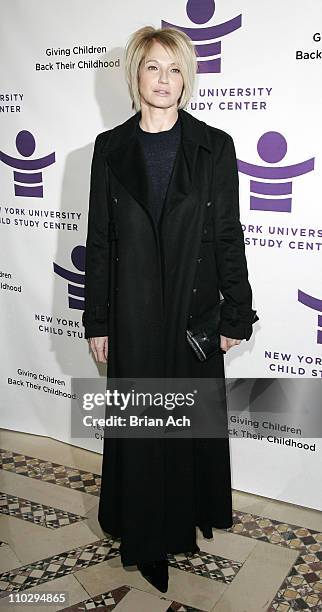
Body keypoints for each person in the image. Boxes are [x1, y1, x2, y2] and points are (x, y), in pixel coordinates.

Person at [82, 25, 258, 593]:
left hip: (193, 315)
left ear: (188, 76)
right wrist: (98, 321)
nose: (165, 80)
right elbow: (101, 240)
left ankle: (179, 523)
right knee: (141, 427)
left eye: (175, 68)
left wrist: (237, 313)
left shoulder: (214, 146)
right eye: (153, 67)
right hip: (131, 316)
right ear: (134, 75)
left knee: (183, 426)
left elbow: (228, 235)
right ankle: (144, 535)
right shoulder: (109, 150)